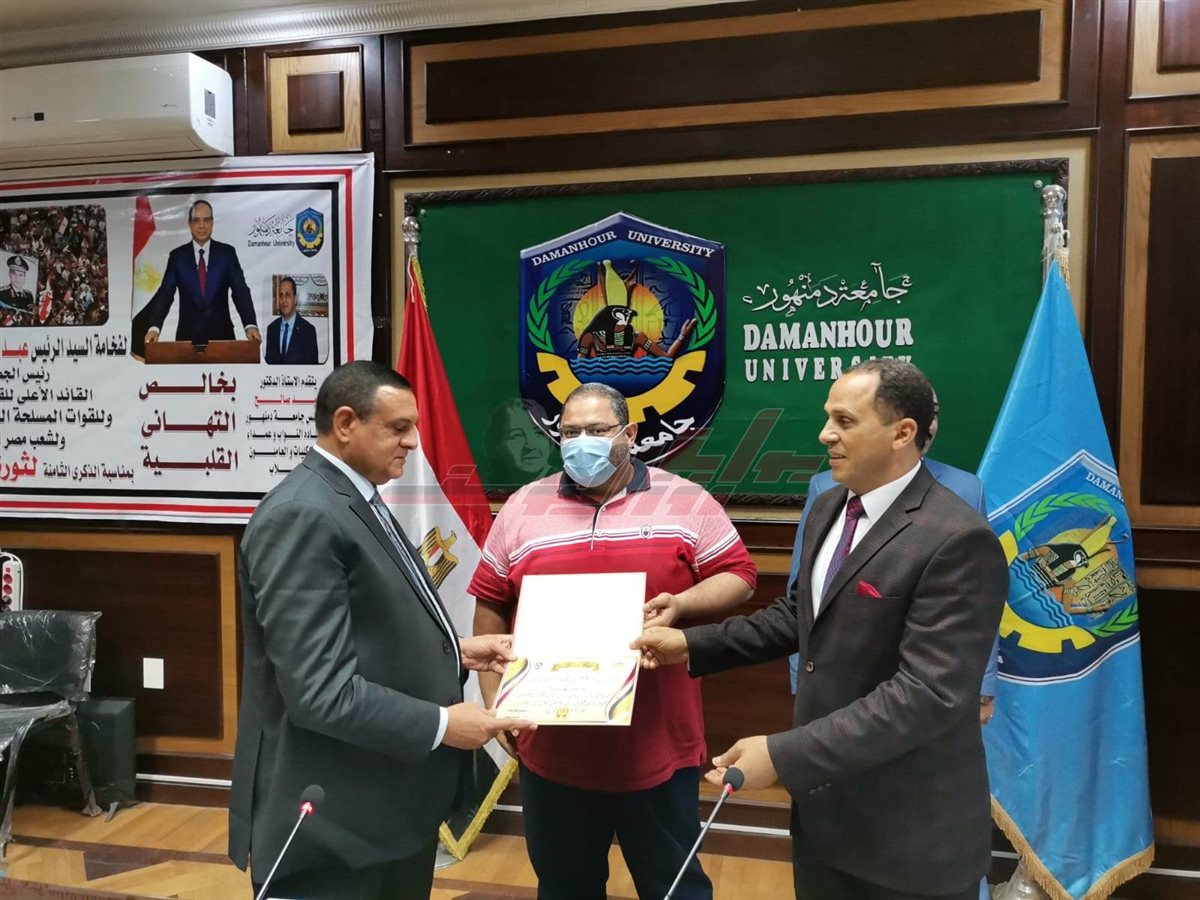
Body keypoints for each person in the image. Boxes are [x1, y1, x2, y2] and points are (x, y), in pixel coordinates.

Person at [634, 360, 1008, 900]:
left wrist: (783, 757)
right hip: (825, 820)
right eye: (828, 417)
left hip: (910, 834)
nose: (824, 434)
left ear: (902, 432)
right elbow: (800, 614)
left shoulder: (956, 538)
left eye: (844, 421)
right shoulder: (831, 505)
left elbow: (927, 694)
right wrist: (690, 644)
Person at [229, 361, 534, 899]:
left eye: (413, 427)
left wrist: (455, 651)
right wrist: (442, 724)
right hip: (334, 826)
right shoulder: (303, 514)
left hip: (386, 810)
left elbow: (363, 628)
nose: (413, 442)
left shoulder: (354, 497)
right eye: (398, 428)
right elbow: (319, 693)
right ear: (346, 423)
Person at [470, 381, 757, 900]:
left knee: (675, 888)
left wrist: (681, 604)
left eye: (597, 431)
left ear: (630, 433)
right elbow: (490, 601)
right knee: (565, 886)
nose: (581, 442)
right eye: (570, 432)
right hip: (553, 747)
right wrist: (496, 705)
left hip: (657, 746)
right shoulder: (521, 507)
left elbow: (739, 575)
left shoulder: (685, 499)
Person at [788, 394, 1001, 724]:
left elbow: (980, 601)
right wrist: (800, 672)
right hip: (836, 679)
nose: (928, 424)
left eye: (933, 413)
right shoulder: (826, 489)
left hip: (920, 689)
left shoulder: (966, 488)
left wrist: (983, 683)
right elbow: (803, 595)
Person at [144, 199, 261, 346]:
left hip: (222, 339)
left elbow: (240, 291)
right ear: (189, 224)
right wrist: (154, 328)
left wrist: (250, 325)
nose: (201, 225)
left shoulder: (227, 254)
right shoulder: (177, 257)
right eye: (196, 220)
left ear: (212, 223)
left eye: (206, 220)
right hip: (187, 340)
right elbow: (165, 294)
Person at [482, 397, 557, 489]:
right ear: (497, 446)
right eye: (517, 435)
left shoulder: (564, 484)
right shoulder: (485, 487)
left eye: (538, 433)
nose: (531, 446)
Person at [264, 276, 319, 364]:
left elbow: (313, 367)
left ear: (295, 299)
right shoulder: (271, 329)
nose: (283, 300)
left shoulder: (308, 331)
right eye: (281, 295)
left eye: (287, 295)